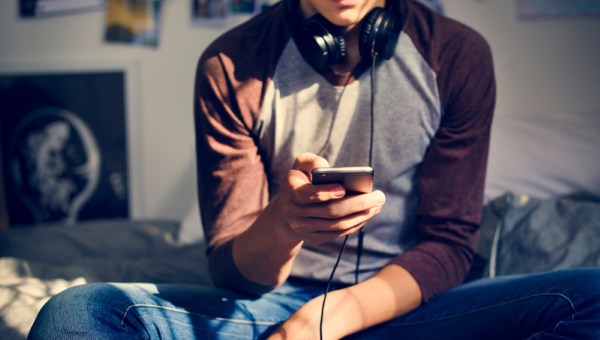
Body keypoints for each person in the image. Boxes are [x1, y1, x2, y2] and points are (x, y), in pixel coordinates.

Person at [29, 0, 600, 339]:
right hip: (271, 309)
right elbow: (231, 273)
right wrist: (286, 224)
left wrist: (336, 314)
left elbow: (450, 244)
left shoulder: (457, 55)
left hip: (410, 304)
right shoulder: (231, 66)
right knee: (76, 312)